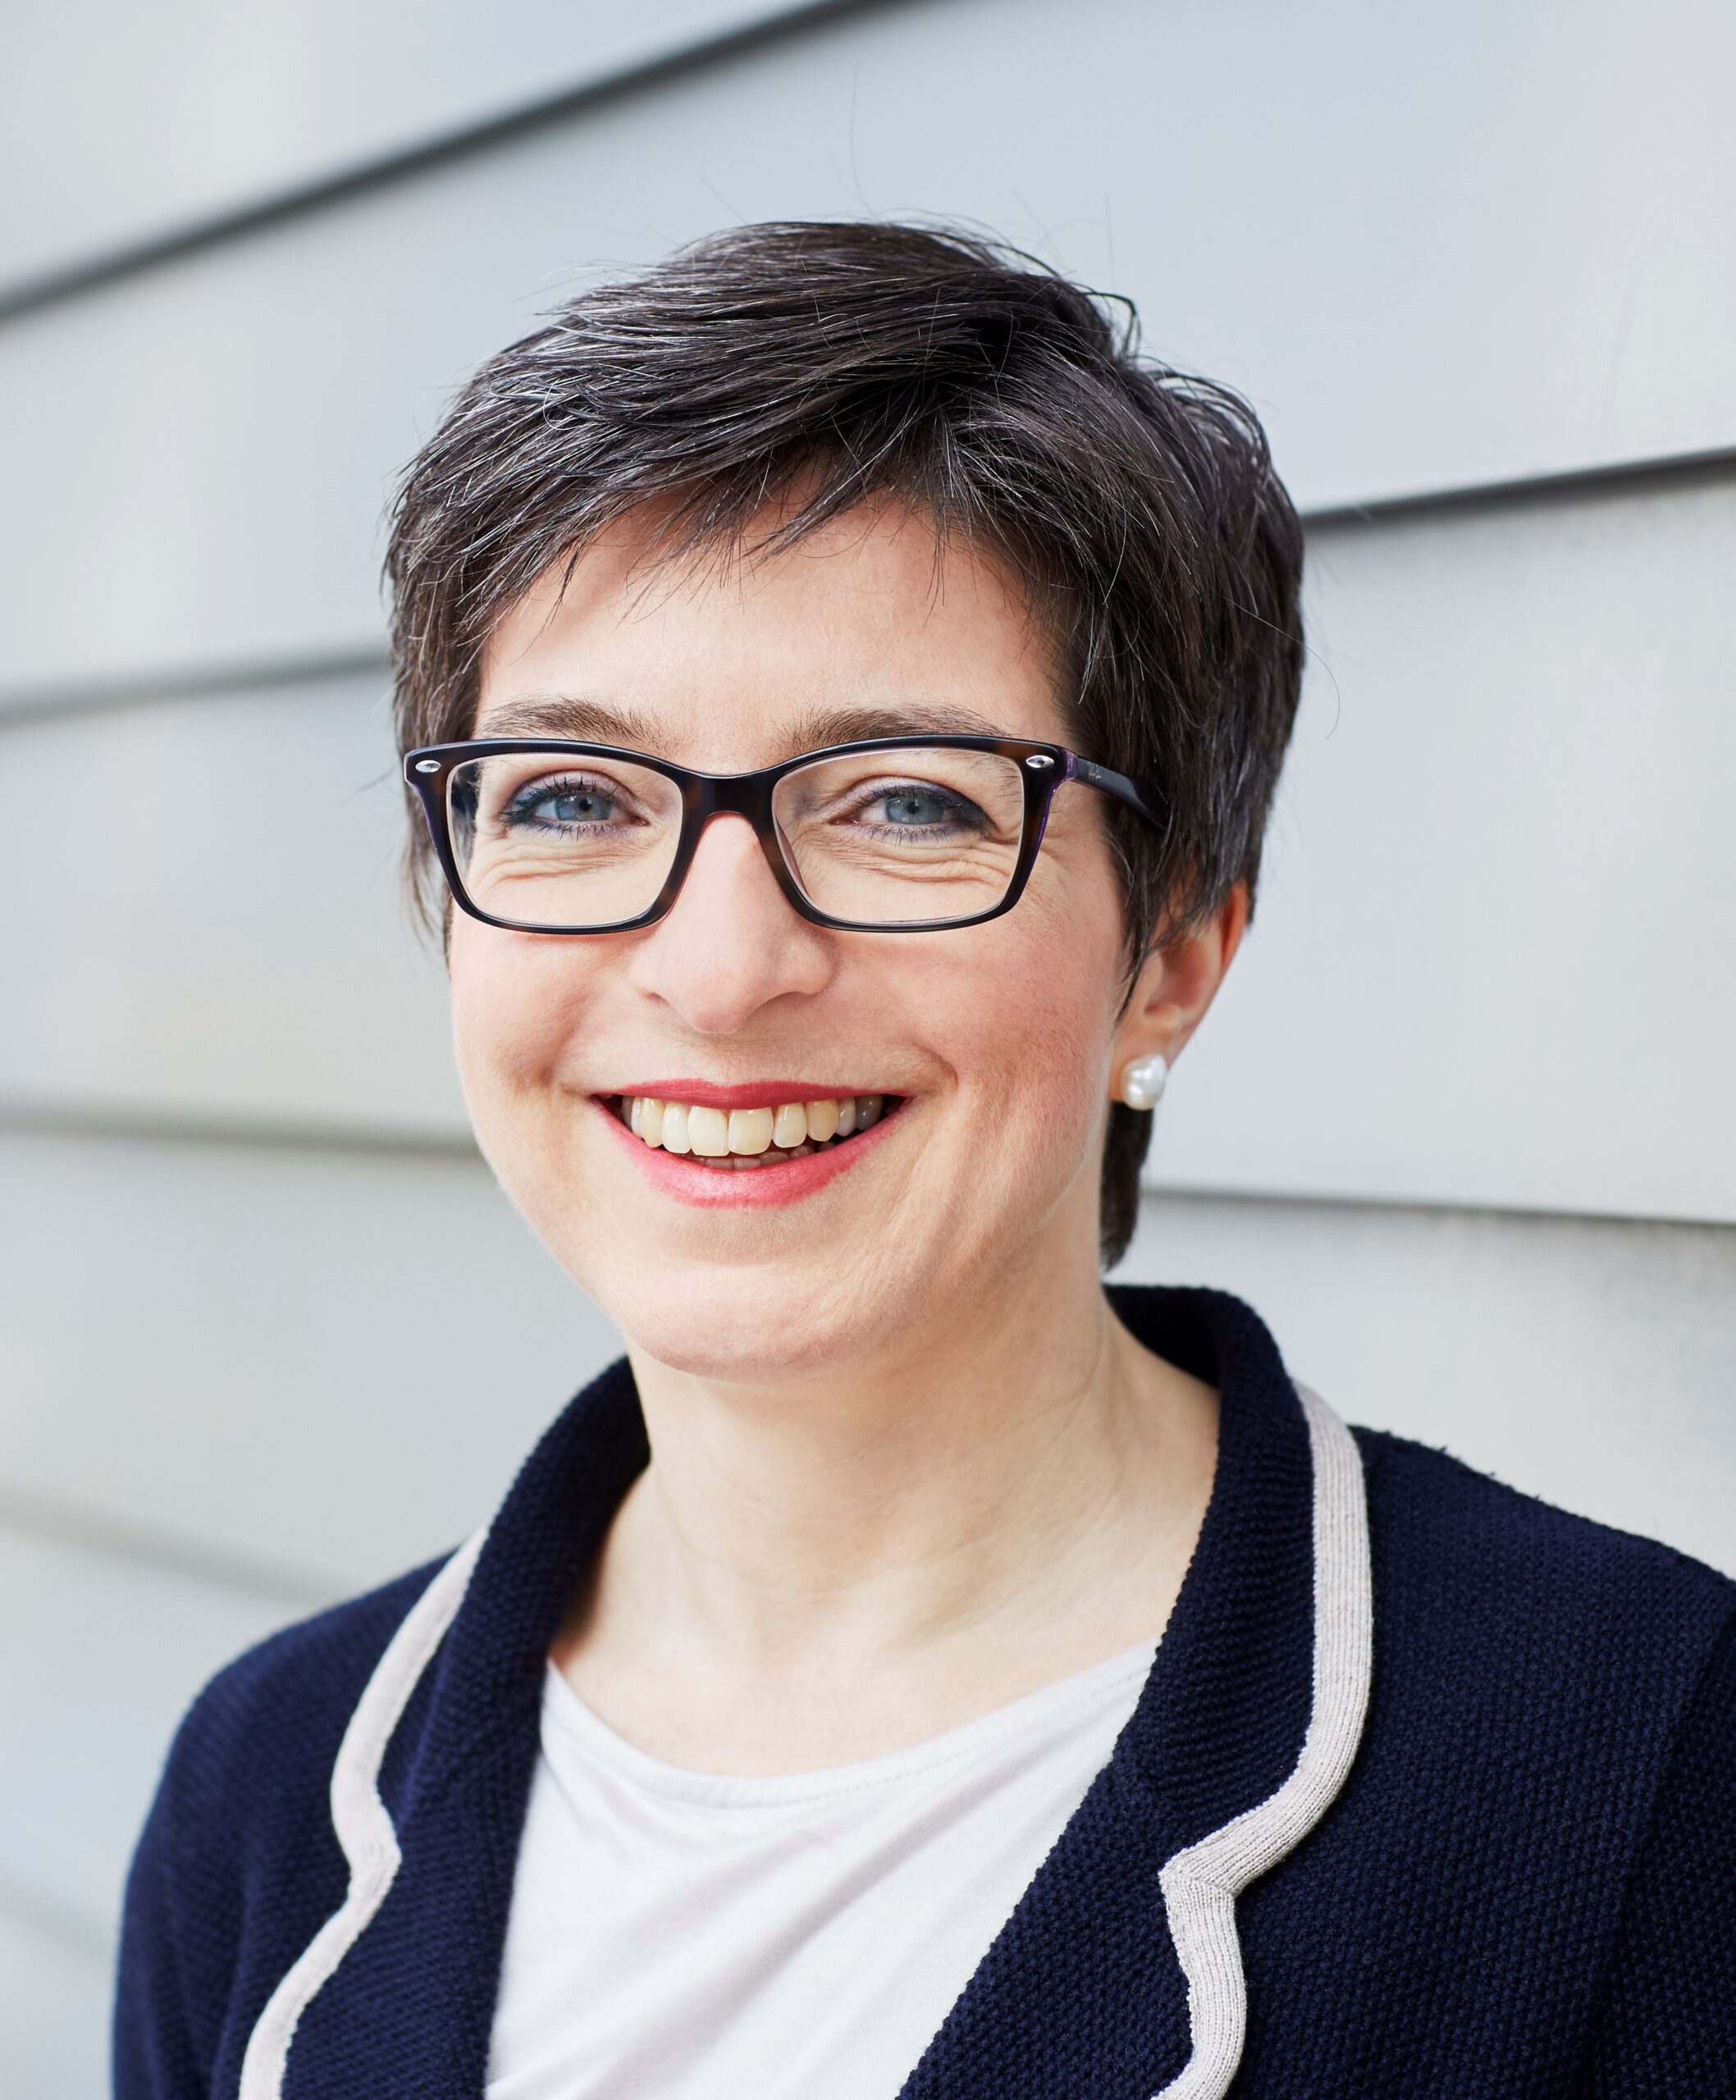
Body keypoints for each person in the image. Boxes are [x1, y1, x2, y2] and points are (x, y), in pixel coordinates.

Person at [115, 222, 1735, 2100]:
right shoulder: (266, 1788)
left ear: (1172, 954)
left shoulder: (1632, 1766)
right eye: (569, 795)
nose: (718, 968)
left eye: (903, 800)